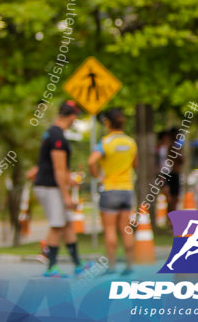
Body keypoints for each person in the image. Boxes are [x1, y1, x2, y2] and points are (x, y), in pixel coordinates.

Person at [32, 101, 85, 278]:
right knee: (57, 225)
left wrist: (70, 180)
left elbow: (59, 168)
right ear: (72, 116)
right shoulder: (57, 136)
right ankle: (51, 267)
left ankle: (78, 264)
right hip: (50, 186)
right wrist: (66, 195)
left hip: (51, 184)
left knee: (67, 223)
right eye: (75, 117)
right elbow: (58, 168)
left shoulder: (52, 132)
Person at [87, 108, 137, 275]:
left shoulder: (106, 142)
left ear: (107, 123)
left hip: (109, 190)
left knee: (110, 229)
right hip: (127, 190)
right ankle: (129, 266)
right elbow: (135, 165)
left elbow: (91, 161)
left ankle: (112, 266)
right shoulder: (131, 142)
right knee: (126, 228)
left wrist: (98, 176)